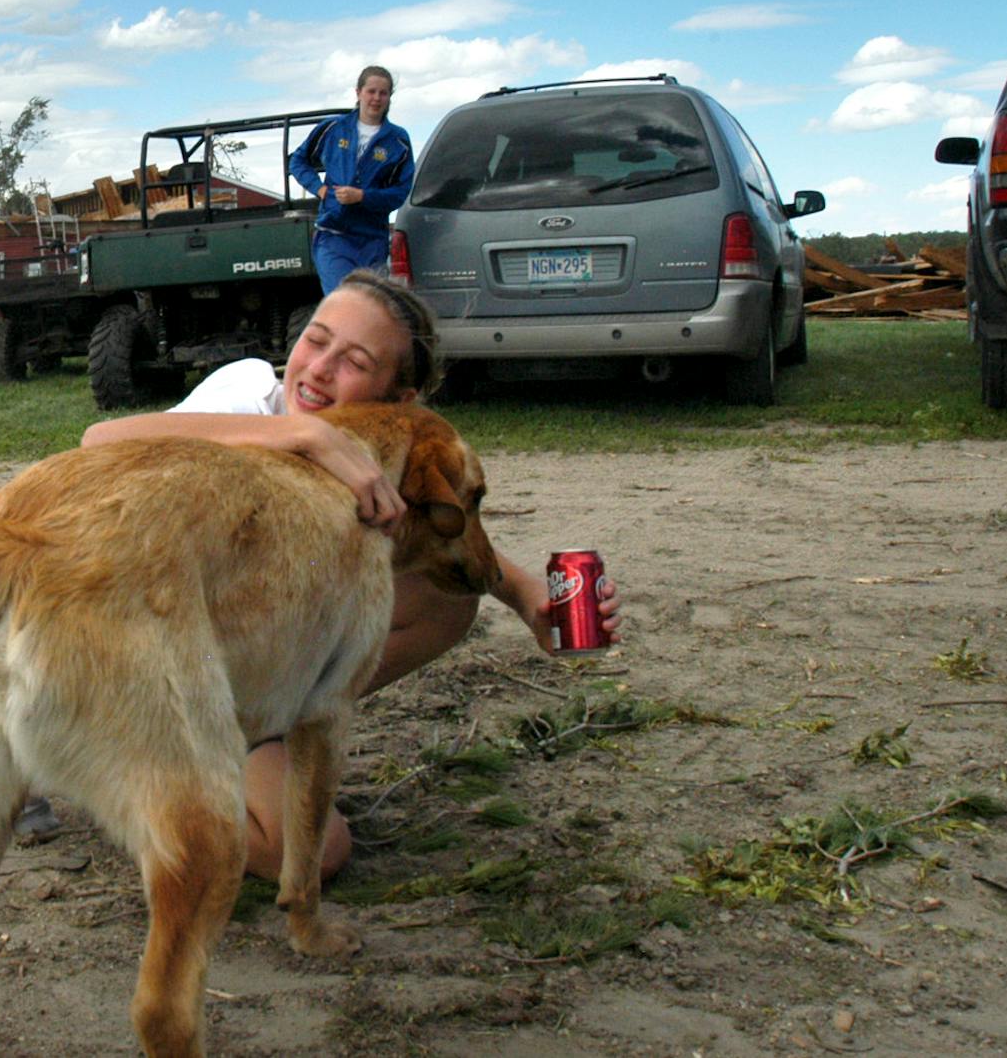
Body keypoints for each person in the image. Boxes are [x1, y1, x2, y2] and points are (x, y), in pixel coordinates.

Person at [80, 270, 621, 880]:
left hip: (227, 682)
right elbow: (99, 442)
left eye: (355, 361)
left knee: (443, 603)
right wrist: (302, 433)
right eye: (316, 340)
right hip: (144, 674)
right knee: (308, 849)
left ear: (398, 402)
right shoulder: (249, 396)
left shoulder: (379, 456)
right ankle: (120, 772)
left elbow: (439, 532)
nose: (318, 369)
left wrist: (524, 596)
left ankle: (261, 730)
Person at [290, 66, 416, 293]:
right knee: (343, 299)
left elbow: (400, 192)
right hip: (333, 235)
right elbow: (298, 161)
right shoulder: (333, 128)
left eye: (383, 93)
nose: (376, 98)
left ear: (389, 97)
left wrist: (363, 197)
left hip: (372, 239)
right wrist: (320, 189)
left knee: (370, 304)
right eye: (371, 91)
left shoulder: (398, 141)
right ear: (358, 93)